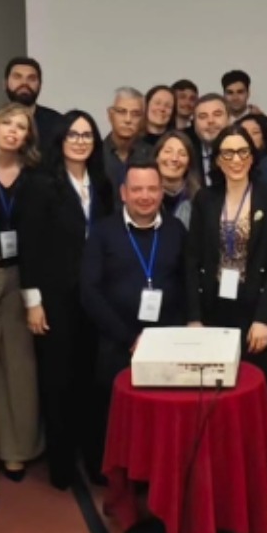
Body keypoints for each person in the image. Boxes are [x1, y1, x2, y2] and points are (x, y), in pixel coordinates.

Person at [21, 110, 112, 489]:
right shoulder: (40, 185)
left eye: (87, 135)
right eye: (73, 135)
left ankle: (94, 457)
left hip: (96, 297)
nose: (80, 141)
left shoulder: (103, 185)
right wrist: (33, 301)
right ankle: (61, 464)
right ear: (60, 140)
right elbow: (30, 246)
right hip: (55, 297)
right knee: (58, 380)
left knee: (93, 380)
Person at [81, 160, 189, 446]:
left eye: (152, 189)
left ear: (161, 192)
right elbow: (89, 291)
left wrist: (168, 334)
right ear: (123, 193)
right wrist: (129, 338)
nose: (145, 196)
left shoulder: (176, 230)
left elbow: (187, 285)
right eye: (137, 189)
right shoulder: (103, 232)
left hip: (166, 343)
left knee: (163, 421)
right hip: (116, 343)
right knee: (117, 421)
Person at [0, 103, 46, 479]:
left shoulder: (35, 175)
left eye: (21, 126)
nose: (13, 130)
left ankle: (16, 449)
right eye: (7, 123)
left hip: (21, 274)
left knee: (19, 365)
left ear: (27, 136)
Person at [186, 127, 267, 375]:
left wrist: (264, 319)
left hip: (254, 308)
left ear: (252, 156)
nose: (236, 159)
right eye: (228, 153)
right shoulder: (205, 199)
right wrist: (194, 317)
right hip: (213, 306)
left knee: (252, 381)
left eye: (242, 151)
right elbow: (192, 259)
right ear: (218, 160)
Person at [0, 56, 64, 148]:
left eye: (31, 78)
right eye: (17, 77)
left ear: (40, 85)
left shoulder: (57, 123)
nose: (24, 83)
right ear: (5, 84)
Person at [150, 130, 200, 227]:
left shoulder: (198, 200)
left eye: (182, 154)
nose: (174, 158)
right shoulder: (144, 196)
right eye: (168, 151)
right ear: (156, 157)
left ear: (189, 163)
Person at [100, 87, 146, 190]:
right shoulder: (95, 154)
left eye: (135, 114)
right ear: (110, 115)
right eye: (121, 112)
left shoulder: (152, 155)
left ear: (143, 119)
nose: (128, 120)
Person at [189, 93, 230, 184]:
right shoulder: (186, 158)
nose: (210, 121)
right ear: (194, 124)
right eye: (203, 116)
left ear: (229, 119)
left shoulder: (245, 154)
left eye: (217, 114)